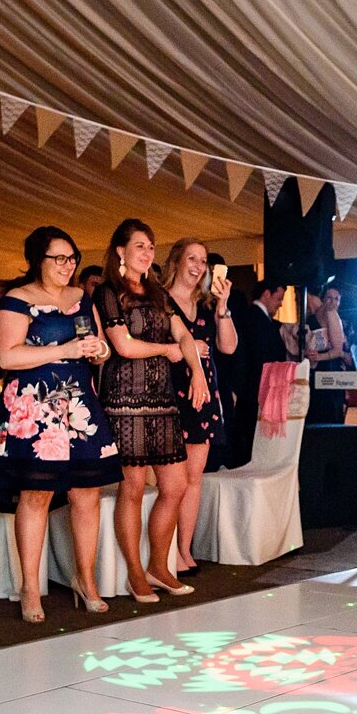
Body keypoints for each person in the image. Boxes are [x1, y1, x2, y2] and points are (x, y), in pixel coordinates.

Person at [0, 227, 120, 622]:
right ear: (37, 260)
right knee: (35, 495)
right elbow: (6, 356)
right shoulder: (17, 300)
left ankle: (85, 580)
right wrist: (65, 349)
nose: (67, 265)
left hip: (79, 405)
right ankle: (29, 588)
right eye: (59, 258)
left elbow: (101, 344)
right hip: (34, 406)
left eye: (72, 257)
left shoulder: (81, 297)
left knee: (86, 494)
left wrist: (98, 350)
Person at [94, 219, 208, 602]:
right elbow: (123, 346)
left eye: (151, 247)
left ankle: (159, 565)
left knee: (174, 487)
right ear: (120, 251)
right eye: (139, 246)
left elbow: (185, 335)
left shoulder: (157, 291)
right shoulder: (109, 292)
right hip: (125, 400)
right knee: (132, 488)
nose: (147, 253)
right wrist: (166, 351)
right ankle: (134, 573)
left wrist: (196, 371)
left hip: (162, 399)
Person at [161, 238, 237, 576]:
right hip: (169, 390)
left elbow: (229, 347)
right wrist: (188, 347)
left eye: (203, 260)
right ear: (176, 261)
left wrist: (223, 307)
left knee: (194, 478)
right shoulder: (159, 300)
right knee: (172, 481)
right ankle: (166, 551)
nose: (198, 265)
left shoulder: (205, 304)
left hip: (203, 395)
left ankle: (184, 548)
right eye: (191, 258)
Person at [229, 278, 288, 467]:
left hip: (254, 388)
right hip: (255, 388)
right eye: (279, 299)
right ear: (266, 294)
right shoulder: (255, 318)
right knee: (249, 440)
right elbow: (259, 356)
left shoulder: (259, 319)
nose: (280, 304)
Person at [305, 283, 349, 425]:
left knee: (330, 414)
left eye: (336, 299)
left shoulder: (338, 319)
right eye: (329, 297)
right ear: (323, 298)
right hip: (314, 370)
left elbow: (342, 352)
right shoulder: (313, 317)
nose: (332, 302)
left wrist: (321, 356)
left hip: (331, 371)